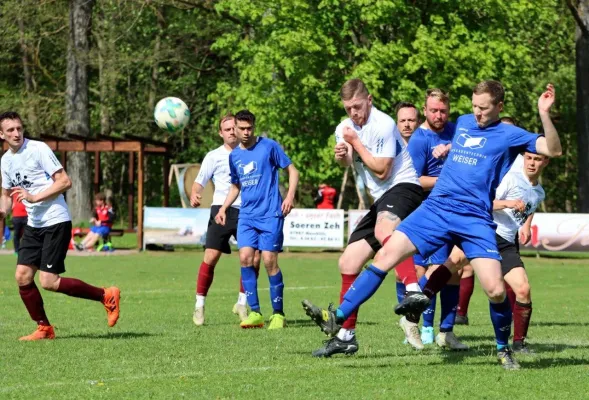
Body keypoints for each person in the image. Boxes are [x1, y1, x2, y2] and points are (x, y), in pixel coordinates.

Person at [302, 81, 561, 370]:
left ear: (499, 107)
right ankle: (336, 317)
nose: (477, 113)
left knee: (496, 291)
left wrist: (543, 113)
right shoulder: (463, 123)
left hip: (474, 218)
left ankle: (504, 349)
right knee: (385, 255)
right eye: (474, 106)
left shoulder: (509, 133)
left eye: (484, 108)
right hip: (436, 208)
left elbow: (553, 149)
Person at [308, 79, 423, 357]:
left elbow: (383, 171)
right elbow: (347, 161)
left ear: (369, 100)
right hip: (381, 199)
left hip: (405, 187)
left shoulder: (383, 124)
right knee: (348, 261)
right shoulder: (343, 127)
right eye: (348, 108)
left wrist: (355, 142)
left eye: (357, 107)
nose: (353, 113)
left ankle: (412, 289)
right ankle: (346, 335)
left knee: (386, 232)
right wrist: (341, 155)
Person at [0, 111, 121, 340]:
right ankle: (44, 328)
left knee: (49, 281)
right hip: (34, 224)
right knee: (22, 276)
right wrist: (3, 210)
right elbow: (6, 195)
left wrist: (34, 197)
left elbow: (65, 181)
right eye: (10, 130)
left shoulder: (38, 149)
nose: (16, 133)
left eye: (19, 128)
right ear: (1, 134)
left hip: (56, 220)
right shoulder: (5, 161)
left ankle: (106, 295)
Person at [215, 110, 299, 330]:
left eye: (248, 128)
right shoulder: (234, 156)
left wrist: (289, 196)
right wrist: (224, 207)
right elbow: (236, 185)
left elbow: (292, 170)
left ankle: (278, 314)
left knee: (269, 261)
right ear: (233, 128)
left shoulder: (269, 146)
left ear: (253, 126)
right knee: (245, 258)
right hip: (247, 215)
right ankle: (255, 313)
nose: (245, 132)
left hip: (270, 213)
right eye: (240, 128)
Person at [402, 88, 467, 350]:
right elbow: (415, 180)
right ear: (424, 110)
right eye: (433, 111)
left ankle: (446, 332)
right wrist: (446, 182)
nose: (439, 115)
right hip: (433, 212)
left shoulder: (456, 132)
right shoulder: (420, 140)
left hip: (458, 210)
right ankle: (424, 326)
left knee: (455, 271)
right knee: (433, 270)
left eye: (443, 111)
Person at [191, 113, 261, 326]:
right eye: (227, 129)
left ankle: (242, 302)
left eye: (234, 128)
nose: (232, 132)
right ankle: (199, 305)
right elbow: (199, 181)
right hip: (221, 210)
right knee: (211, 257)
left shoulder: (251, 153)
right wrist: (195, 193)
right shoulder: (213, 156)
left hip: (247, 211)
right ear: (221, 133)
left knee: (253, 258)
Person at [492, 151, 547, 353]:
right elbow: (485, 204)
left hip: (506, 242)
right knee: (454, 265)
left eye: (537, 159)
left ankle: (518, 344)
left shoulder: (539, 192)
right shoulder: (510, 178)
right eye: (529, 158)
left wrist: (525, 225)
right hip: (487, 234)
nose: (532, 163)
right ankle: (419, 314)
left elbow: (529, 209)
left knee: (522, 290)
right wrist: (507, 203)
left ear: (545, 162)